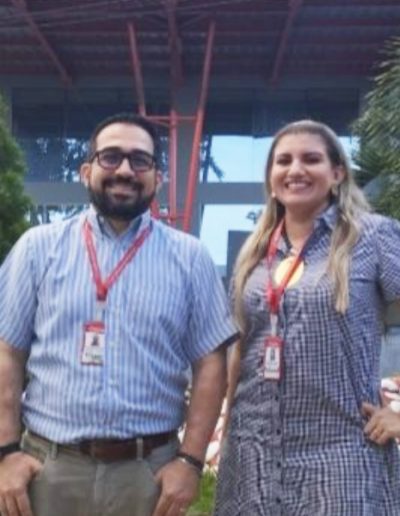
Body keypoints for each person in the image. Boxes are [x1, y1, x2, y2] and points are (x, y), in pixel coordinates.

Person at [0, 113, 237, 516]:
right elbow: (7, 352)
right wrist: (6, 452)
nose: (125, 170)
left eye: (140, 160)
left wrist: (190, 461)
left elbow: (210, 363)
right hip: (50, 471)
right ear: (86, 171)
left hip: (148, 476)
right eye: (110, 157)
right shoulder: (37, 248)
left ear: (157, 178)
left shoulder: (190, 257)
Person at [214, 120, 400, 515]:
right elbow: (239, 352)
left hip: (340, 461)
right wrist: (227, 435)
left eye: (311, 159)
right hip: (253, 460)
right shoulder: (254, 254)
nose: (295, 169)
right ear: (271, 178)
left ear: (337, 174)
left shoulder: (372, 237)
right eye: (283, 161)